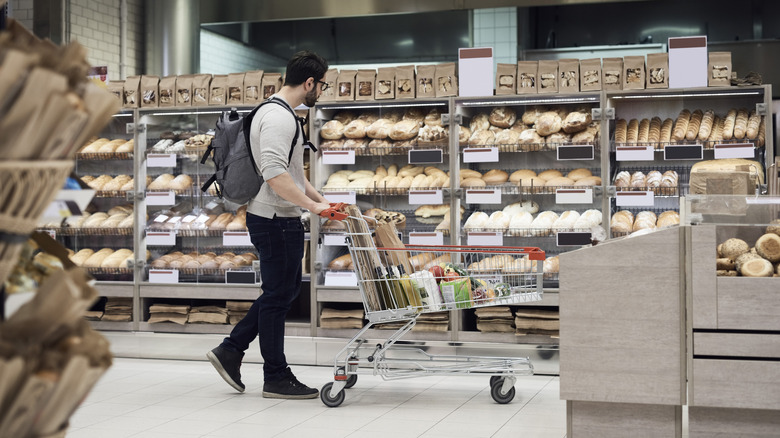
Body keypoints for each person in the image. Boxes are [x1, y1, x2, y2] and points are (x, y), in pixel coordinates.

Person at [207, 51, 330, 399]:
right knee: (278, 297)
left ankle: (231, 349)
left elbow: (293, 172)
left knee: (283, 292)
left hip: (278, 217)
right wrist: (312, 208)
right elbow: (275, 174)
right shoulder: (279, 118)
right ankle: (275, 375)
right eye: (321, 85)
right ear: (309, 83)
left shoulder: (279, 112)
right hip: (275, 220)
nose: (321, 91)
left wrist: (320, 201)